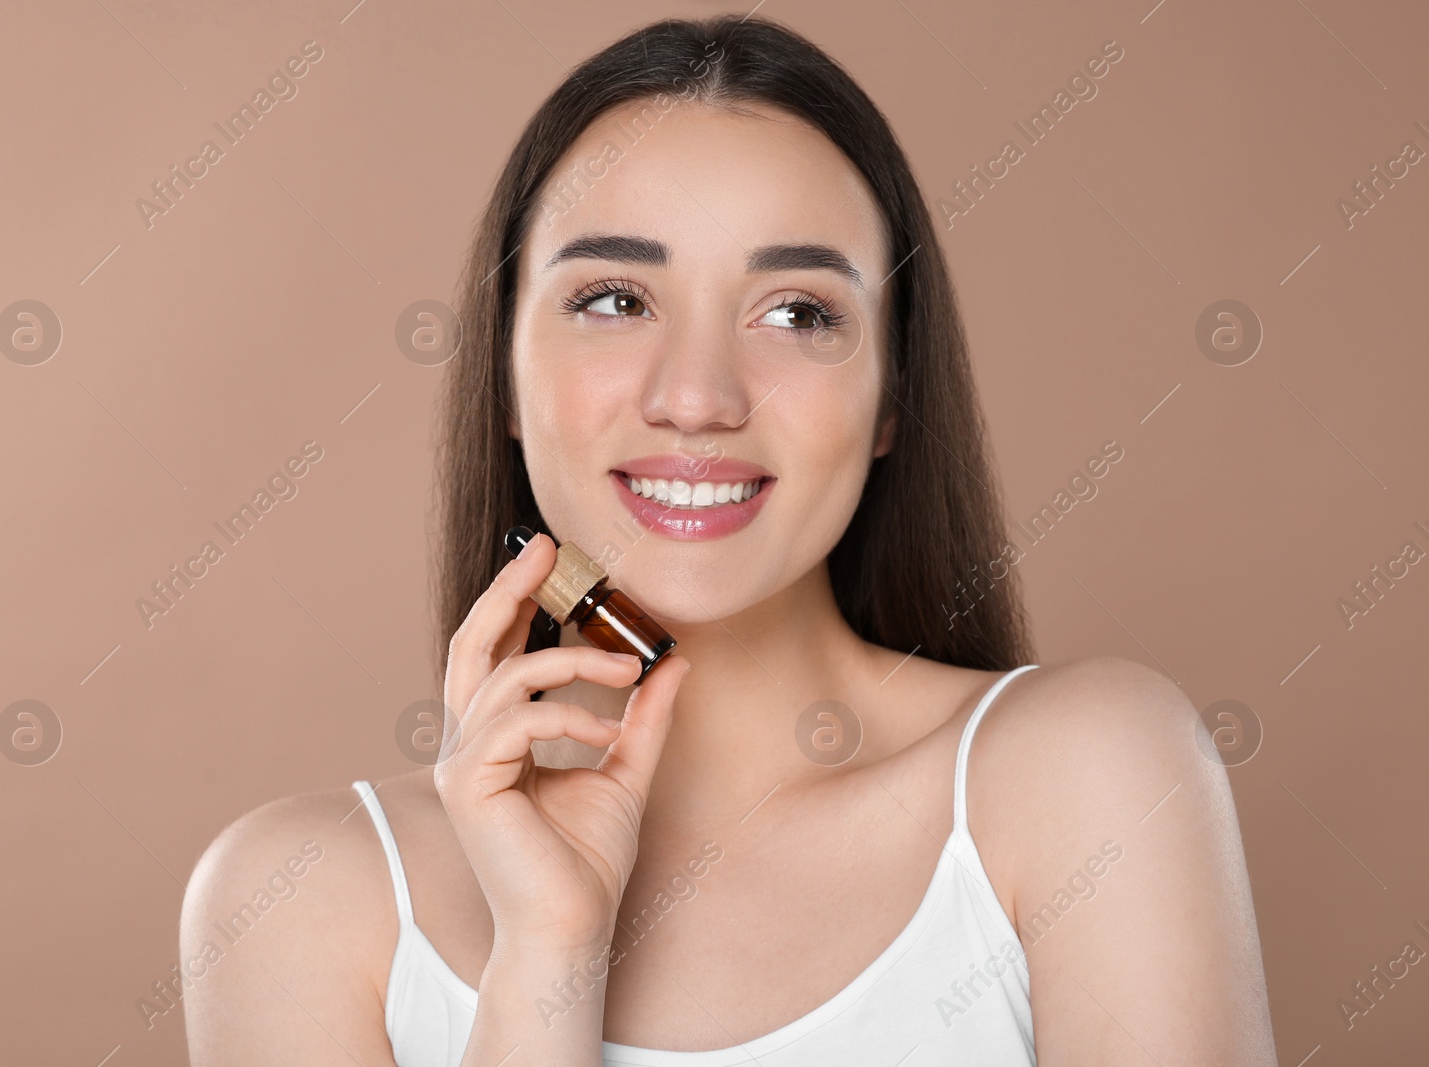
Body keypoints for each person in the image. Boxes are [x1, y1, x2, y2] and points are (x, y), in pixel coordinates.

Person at [180, 14, 1277, 1065]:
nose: (697, 397)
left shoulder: (1088, 772)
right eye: (614, 299)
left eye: (798, 312)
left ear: (893, 393)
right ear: (505, 377)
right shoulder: (297, 899)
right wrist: (549, 951)